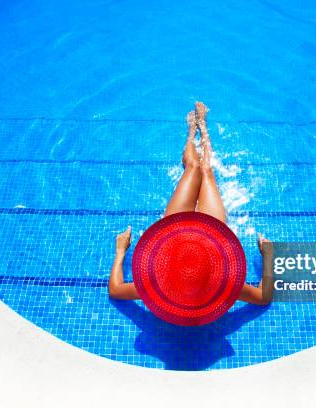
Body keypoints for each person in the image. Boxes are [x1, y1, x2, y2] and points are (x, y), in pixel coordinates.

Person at [108, 102, 272, 308]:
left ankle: (192, 132)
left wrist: (121, 251)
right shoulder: (221, 284)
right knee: (206, 172)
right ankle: (201, 129)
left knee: (193, 168)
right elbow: (263, 296)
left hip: (177, 238)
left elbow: (115, 289)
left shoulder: (159, 284)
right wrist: (268, 256)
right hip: (206, 240)